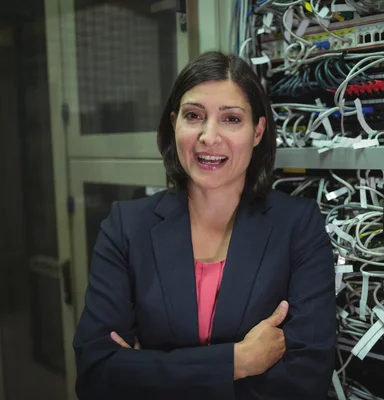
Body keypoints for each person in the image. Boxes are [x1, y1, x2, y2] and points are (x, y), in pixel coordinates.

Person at [73, 51, 337, 400]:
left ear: (257, 131)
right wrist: (238, 360)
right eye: (194, 116)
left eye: (231, 119)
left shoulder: (298, 226)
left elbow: (307, 379)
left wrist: (146, 368)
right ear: (174, 123)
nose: (208, 136)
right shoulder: (125, 227)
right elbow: (96, 376)